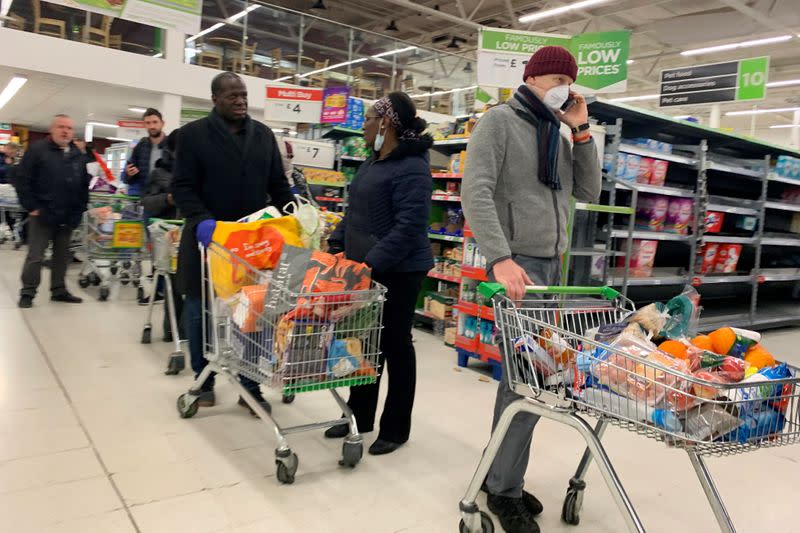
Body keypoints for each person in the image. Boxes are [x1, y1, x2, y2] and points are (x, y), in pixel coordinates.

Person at [462, 46, 601, 533]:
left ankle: (499, 476)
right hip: (517, 268)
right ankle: (503, 490)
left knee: (529, 379)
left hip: (551, 271)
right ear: (531, 78)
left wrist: (581, 131)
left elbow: (589, 191)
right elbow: (474, 190)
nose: (562, 86)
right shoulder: (498, 122)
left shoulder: (556, 136)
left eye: (569, 79)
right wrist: (500, 258)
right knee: (530, 380)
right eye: (554, 78)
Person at [172, 72, 295, 412]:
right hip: (206, 239)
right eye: (232, 96)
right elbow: (182, 186)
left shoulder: (263, 135)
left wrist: (294, 212)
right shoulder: (193, 135)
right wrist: (199, 219)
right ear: (215, 99)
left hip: (252, 244)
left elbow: (278, 185)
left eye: (243, 95)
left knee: (252, 314)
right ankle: (203, 379)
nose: (240, 101)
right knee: (200, 310)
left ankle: (249, 384)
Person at [324, 92, 434, 456]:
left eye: (370, 117)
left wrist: (370, 263)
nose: (364, 123)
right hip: (365, 268)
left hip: (400, 270)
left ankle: (396, 428)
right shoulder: (373, 162)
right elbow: (355, 210)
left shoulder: (413, 167)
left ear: (386, 123)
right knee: (364, 342)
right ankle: (360, 416)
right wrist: (337, 240)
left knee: (395, 345)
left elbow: (408, 228)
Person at [16, 115, 92, 308]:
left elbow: (83, 184)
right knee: (36, 256)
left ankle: (58, 290)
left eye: (69, 128)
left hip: (67, 214)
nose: (65, 131)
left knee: (61, 255)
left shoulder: (77, 154)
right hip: (42, 213)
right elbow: (23, 179)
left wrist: (80, 208)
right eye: (61, 127)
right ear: (52, 129)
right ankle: (28, 292)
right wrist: (31, 206)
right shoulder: (37, 150)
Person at [141, 129, 183, 345]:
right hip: (169, 237)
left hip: (190, 234)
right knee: (174, 284)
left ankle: (191, 332)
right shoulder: (159, 173)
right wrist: (167, 199)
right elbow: (146, 202)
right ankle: (172, 330)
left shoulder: (203, 171)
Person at [123, 108, 166, 197]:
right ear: (144, 125)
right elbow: (129, 178)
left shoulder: (172, 145)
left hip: (166, 197)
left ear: (162, 123)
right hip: (146, 197)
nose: (152, 126)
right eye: (148, 123)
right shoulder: (140, 146)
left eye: (155, 122)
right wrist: (129, 174)